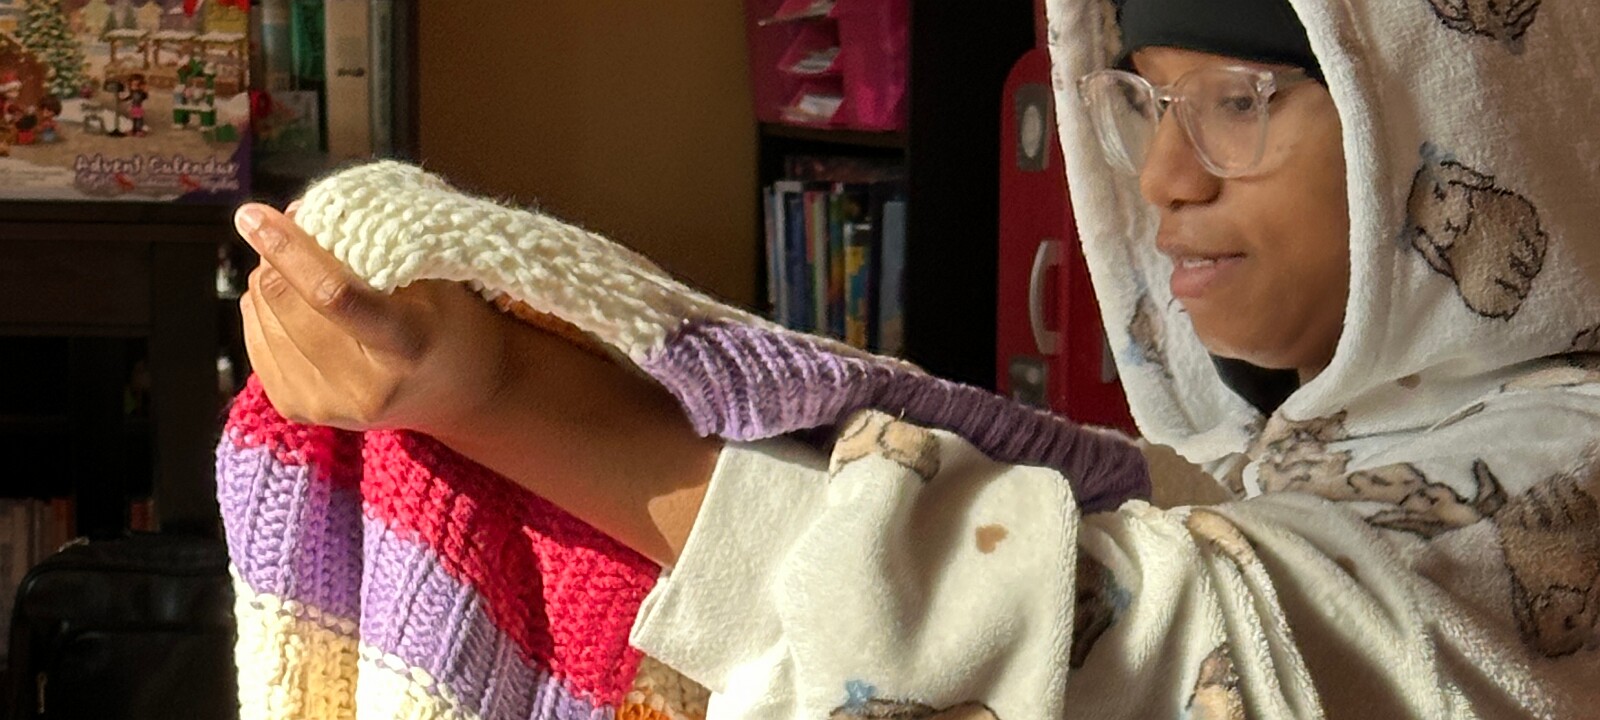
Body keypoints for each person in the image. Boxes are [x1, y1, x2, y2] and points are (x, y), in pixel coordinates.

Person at [230, 0, 1599, 715]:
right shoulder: (1261, 462)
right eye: (1143, 101)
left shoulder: (1568, 478)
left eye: (1241, 100)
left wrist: (503, 396)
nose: (1162, 177)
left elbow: (1131, 648)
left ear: (1461, 126)